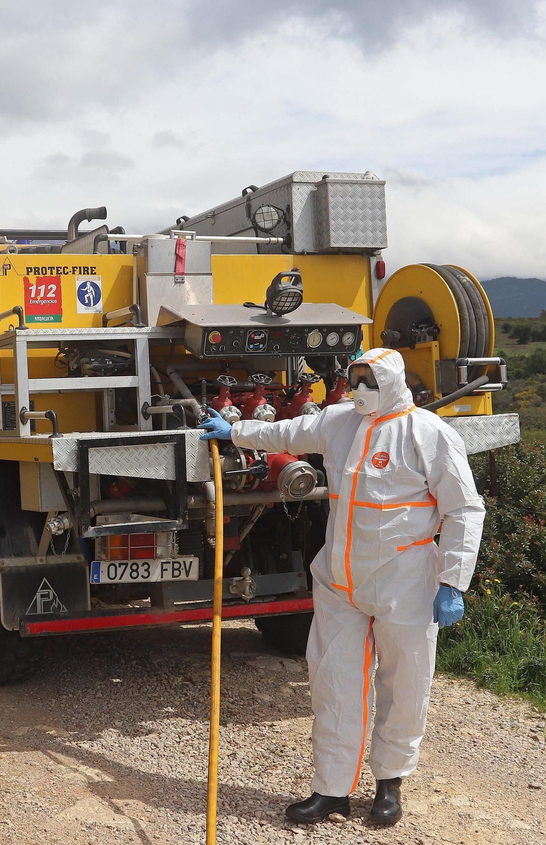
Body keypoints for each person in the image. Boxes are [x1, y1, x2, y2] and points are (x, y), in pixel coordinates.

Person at [199, 348, 484, 826]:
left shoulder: (428, 433)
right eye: (354, 380)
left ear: (390, 382)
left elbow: (464, 509)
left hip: (406, 578)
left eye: (368, 381)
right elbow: (286, 432)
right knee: (333, 682)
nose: (359, 390)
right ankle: (330, 789)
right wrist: (236, 431)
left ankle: (389, 785)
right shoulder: (339, 421)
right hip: (339, 579)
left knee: (405, 682)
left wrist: (453, 582)